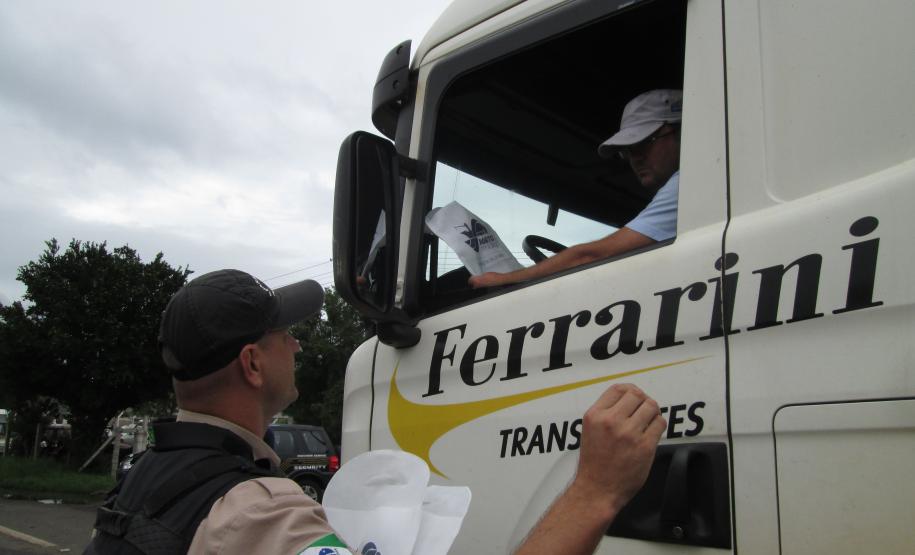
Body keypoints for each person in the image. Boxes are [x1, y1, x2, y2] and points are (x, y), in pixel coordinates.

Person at [85, 269, 664, 554]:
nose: (299, 345)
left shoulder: (145, 477)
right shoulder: (254, 515)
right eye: (285, 333)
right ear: (252, 364)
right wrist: (594, 492)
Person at [469, 89, 682, 289]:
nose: (635, 158)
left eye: (645, 142)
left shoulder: (684, 183)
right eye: (628, 150)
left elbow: (590, 257)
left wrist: (505, 279)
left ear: (682, 132)